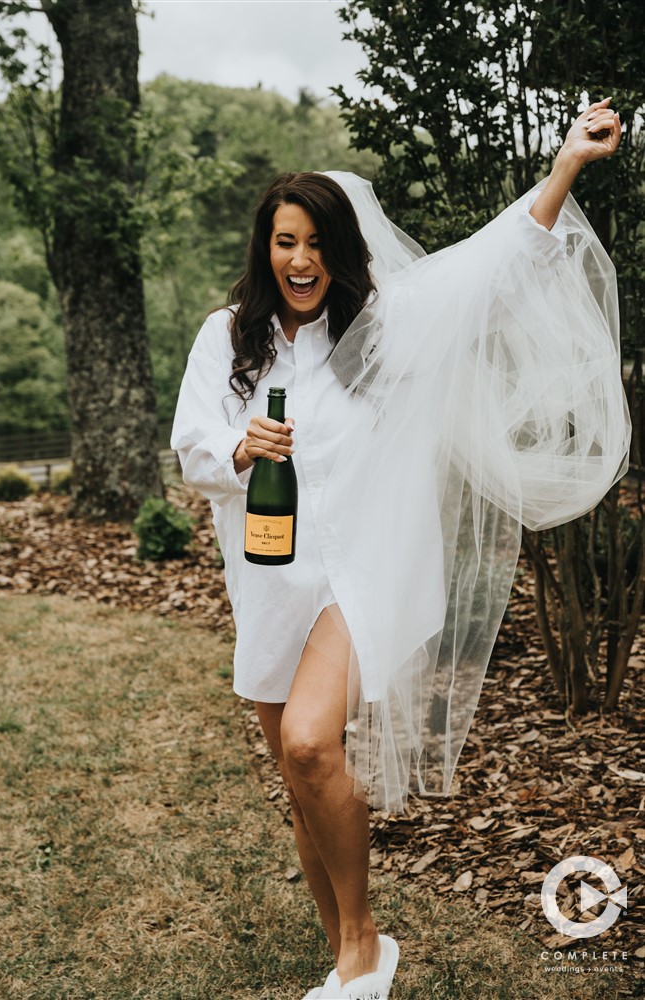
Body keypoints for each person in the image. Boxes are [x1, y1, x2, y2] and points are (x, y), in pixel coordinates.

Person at [171, 98, 629, 1000]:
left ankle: (363, 944)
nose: (300, 261)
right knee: (302, 780)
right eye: (284, 242)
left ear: (343, 251)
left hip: (367, 572)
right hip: (270, 578)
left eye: (315, 244)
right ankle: (346, 950)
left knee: (308, 745)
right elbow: (191, 447)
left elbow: (492, 266)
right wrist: (237, 449)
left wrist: (567, 163)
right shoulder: (227, 339)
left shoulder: (386, 330)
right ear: (265, 248)